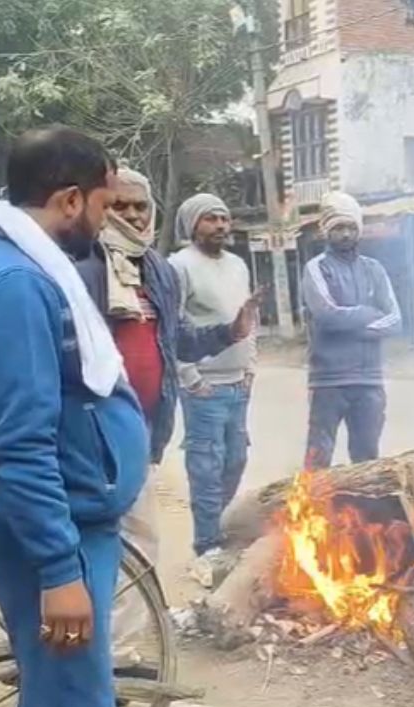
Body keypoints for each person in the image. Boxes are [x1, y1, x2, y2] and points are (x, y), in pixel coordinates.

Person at [0, 126, 146, 707]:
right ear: (68, 200)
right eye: (104, 205)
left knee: (61, 701)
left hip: (71, 520)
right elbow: (19, 443)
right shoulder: (17, 283)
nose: (107, 220)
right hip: (59, 532)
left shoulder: (23, 264)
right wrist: (61, 572)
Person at [72, 168, 257, 637]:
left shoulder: (153, 268)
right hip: (94, 430)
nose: (132, 214)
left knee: (138, 541)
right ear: (100, 206)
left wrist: (227, 333)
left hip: (142, 431)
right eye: (120, 205)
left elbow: (175, 340)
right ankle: (95, 652)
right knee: (98, 542)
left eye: (140, 206)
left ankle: (117, 648)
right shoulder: (83, 265)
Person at [169, 194, 258, 582]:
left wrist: (250, 366)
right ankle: (206, 548)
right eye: (211, 219)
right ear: (192, 225)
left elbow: (246, 318)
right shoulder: (178, 266)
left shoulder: (238, 265)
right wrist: (190, 377)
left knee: (236, 459)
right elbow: (170, 329)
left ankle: (216, 531)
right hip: (204, 388)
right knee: (206, 468)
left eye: (224, 218)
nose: (221, 225)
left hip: (239, 384)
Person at [300, 192, 401, 469]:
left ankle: (365, 513)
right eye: (338, 228)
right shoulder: (316, 269)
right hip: (328, 381)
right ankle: (314, 511)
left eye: (351, 227)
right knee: (318, 458)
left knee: (367, 460)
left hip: (369, 382)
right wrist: (368, 315)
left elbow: (395, 320)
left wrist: (351, 323)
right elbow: (327, 315)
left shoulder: (374, 270)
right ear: (325, 231)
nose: (345, 234)